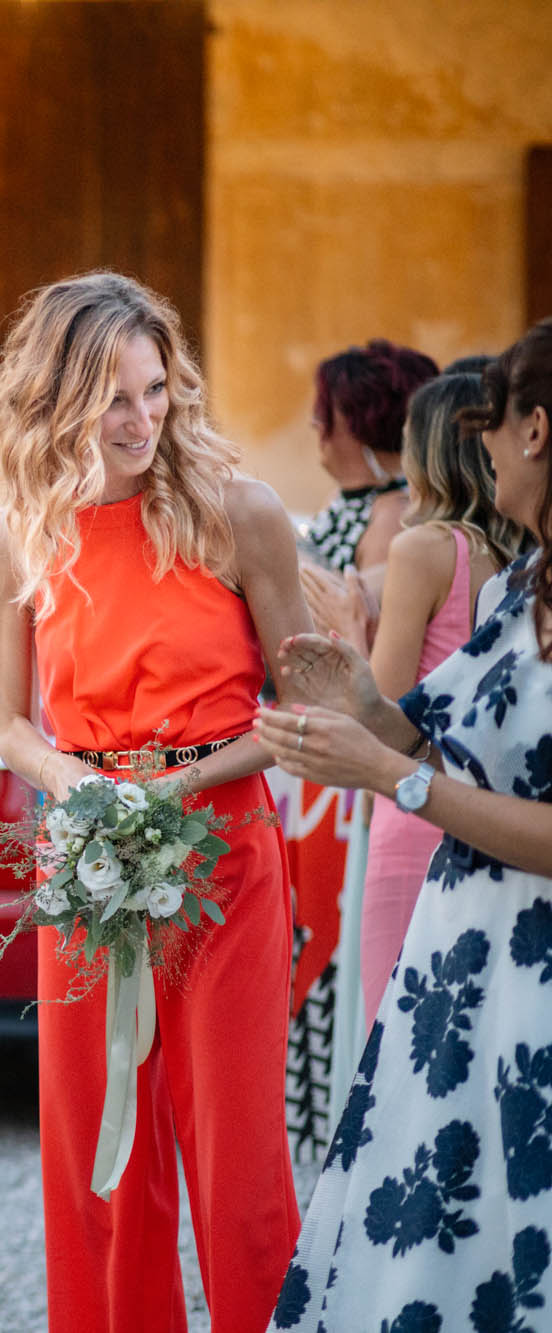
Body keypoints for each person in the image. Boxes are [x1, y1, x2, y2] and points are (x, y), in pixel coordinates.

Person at [0, 272, 312, 1333]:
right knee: (98, 1156)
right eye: (110, 397)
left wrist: (182, 782)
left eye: (154, 389)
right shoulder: (16, 538)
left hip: (224, 860)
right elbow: (14, 731)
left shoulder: (238, 515)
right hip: (87, 872)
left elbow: (306, 718)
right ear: (55, 399)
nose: (139, 419)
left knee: (233, 1153)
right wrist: (77, 786)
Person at [257, 317, 552, 1331]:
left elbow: (433, 784)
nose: (475, 446)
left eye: (489, 423)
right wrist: (361, 703)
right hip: (457, 980)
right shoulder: (518, 586)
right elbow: (434, 741)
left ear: (535, 432)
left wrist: (389, 773)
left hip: (534, 984)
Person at [345, 374, 525, 1023]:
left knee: (395, 1041)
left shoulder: (423, 549)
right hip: (495, 817)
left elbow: (384, 709)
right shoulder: (519, 554)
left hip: (415, 809)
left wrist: (344, 626)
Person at [298, 339, 441, 632]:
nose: (315, 422)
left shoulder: (391, 519)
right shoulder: (345, 498)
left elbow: (356, 625)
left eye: (324, 410)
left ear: (360, 423)